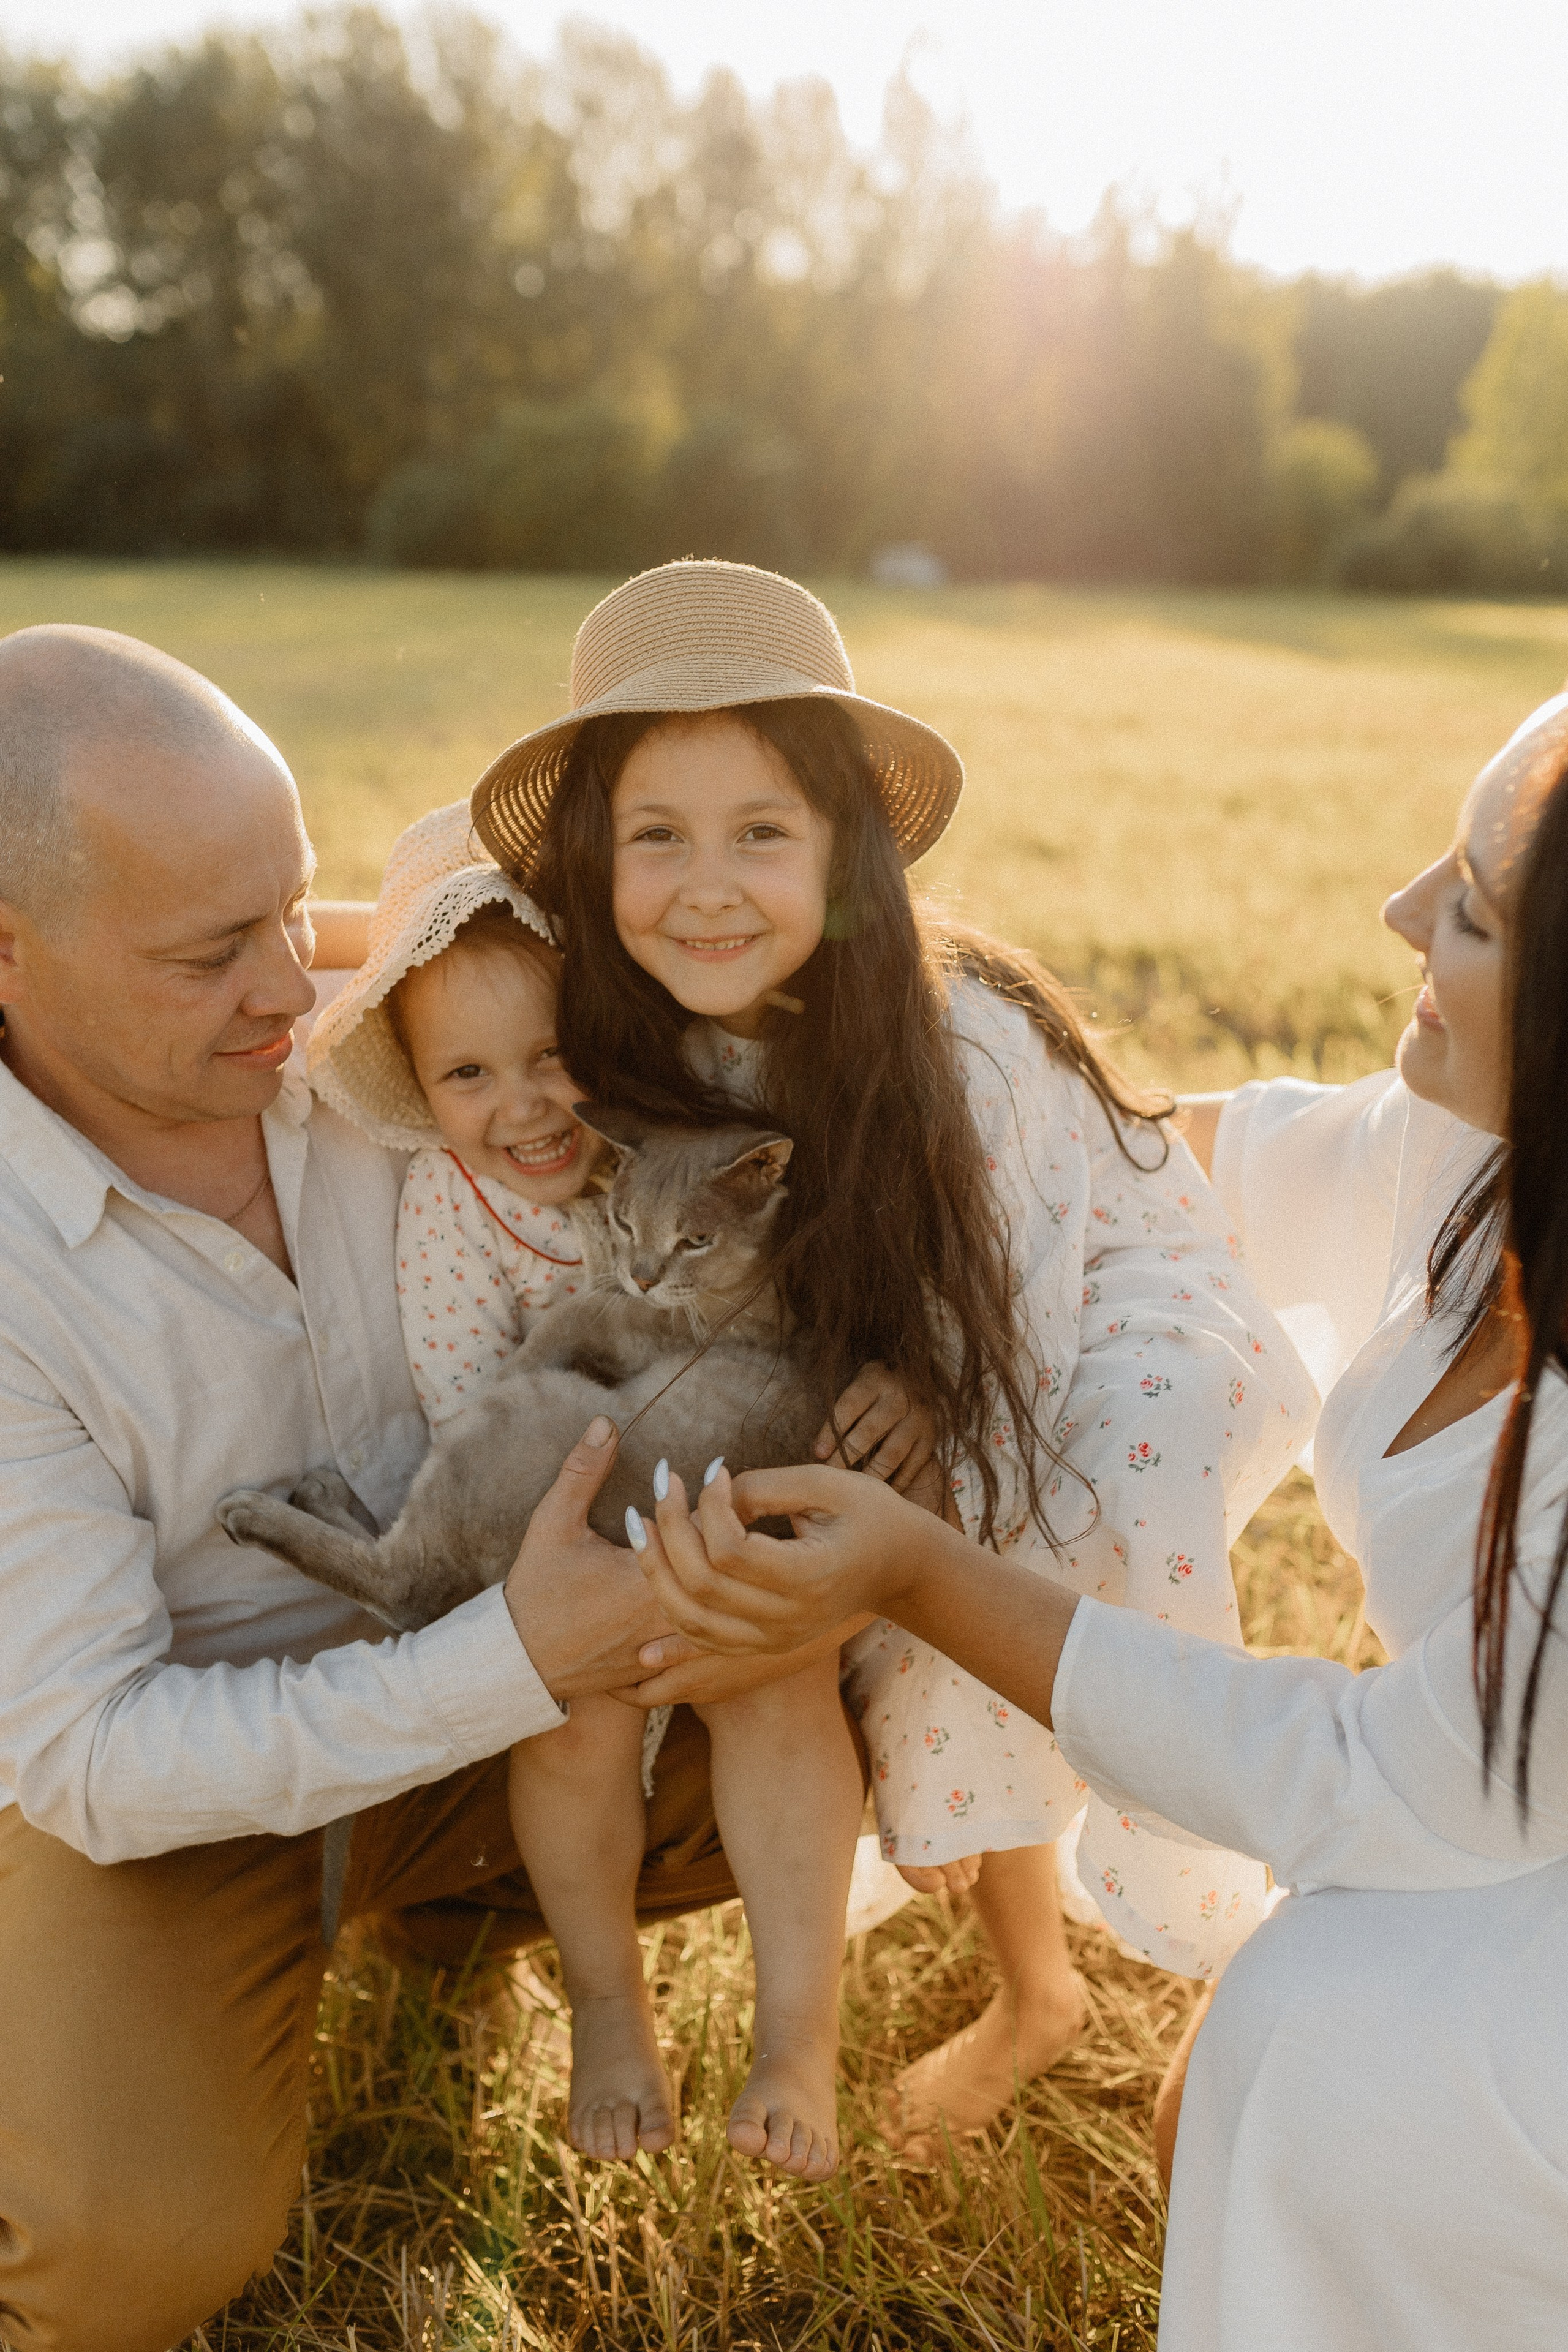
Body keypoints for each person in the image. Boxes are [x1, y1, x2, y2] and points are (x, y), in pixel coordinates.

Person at [635, 690, 1568, 2350]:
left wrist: (924, 1572)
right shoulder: (1472, 1147)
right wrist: (934, 1057)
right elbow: (1152, 1157)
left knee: (1315, 2045)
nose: (1402, 911)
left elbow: (1378, 1781)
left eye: (1478, 910)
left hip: (1495, 1839)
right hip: (1493, 1804)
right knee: (1245, 2088)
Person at [0, 624, 810, 2352]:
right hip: (169, 1778)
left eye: (296, 910)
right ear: (10, 948)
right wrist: (516, 1659)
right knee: (125, 2253)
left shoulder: (398, 1040)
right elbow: (87, 1755)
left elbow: (744, 943)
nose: (298, 991)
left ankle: (448, 1907)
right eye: (219, 950)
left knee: (836, 1663)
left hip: (501, 1670)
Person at [469, 558, 1317, 2155]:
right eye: (658, 836)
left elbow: (1021, 1294)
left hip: (1103, 1333)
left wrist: (932, 1402)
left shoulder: (953, 1034)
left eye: (763, 833)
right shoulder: (631, 1008)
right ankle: (1035, 1983)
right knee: (877, 1514)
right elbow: (420, 926)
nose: (706, 886)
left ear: (844, 846)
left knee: (997, 1544)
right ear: (591, 858)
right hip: (919, 1342)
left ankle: (1216, 1947)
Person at [307, 799, 914, 2179]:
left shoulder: (709, 1144)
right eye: (466, 1077)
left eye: (552, 1057)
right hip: (566, 1537)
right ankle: (606, 2008)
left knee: (780, 1682)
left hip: (743, 1495)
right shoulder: (451, 1217)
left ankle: (794, 2037)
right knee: (566, 1722)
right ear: (418, 1087)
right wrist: (585, 1573)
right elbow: (479, 1417)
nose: (519, 1106)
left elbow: (836, 1305)